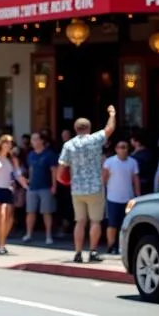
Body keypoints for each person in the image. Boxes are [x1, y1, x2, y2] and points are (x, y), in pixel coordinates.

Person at [57, 106, 116, 263]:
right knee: (95, 221)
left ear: (75, 129)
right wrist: (112, 114)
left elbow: (61, 166)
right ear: (89, 128)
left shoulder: (68, 145)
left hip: (77, 188)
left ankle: (77, 252)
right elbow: (110, 128)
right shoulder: (95, 140)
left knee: (80, 221)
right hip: (95, 186)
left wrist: (62, 179)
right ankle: (93, 251)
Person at [0, 134, 26, 254]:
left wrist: (25, 185)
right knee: (0, 216)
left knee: (9, 218)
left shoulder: (12, 160)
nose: (8, 145)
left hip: (6, 189)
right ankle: (0, 244)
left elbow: (18, 175)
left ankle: (1, 241)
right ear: (1, 144)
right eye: (6, 142)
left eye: (10, 143)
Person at [103, 139, 139, 254]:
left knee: (126, 224)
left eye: (125, 147)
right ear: (116, 149)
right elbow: (103, 179)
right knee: (112, 224)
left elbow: (136, 180)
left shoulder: (133, 162)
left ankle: (124, 247)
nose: (123, 149)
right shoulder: (109, 162)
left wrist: (138, 196)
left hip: (128, 198)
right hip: (112, 198)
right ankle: (111, 246)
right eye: (121, 147)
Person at [23, 128, 57, 244]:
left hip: (45, 186)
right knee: (30, 211)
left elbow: (54, 170)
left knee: (46, 212)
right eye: (32, 140)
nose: (33, 142)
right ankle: (28, 234)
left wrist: (54, 186)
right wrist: (29, 181)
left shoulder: (49, 154)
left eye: (35, 139)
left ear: (41, 141)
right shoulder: (31, 155)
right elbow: (30, 169)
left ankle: (48, 235)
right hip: (32, 187)